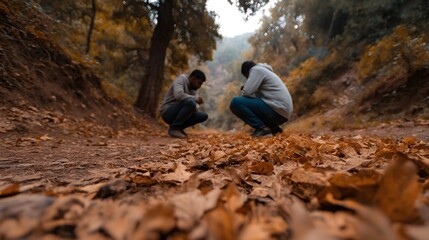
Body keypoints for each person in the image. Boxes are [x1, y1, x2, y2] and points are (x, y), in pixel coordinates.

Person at [230, 61, 293, 137]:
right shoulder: (265, 71)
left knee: (236, 102)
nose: (248, 79)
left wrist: (246, 86)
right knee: (253, 104)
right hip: (283, 113)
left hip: (277, 110)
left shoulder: (256, 70)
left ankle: (263, 129)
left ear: (248, 72)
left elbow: (246, 93)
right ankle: (274, 129)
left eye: (247, 77)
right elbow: (257, 100)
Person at [160, 69, 208, 138]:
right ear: (193, 78)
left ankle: (179, 128)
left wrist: (194, 108)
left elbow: (190, 106)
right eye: (199, 83)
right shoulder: (180, 80)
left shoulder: (192, 89)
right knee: (191, 102)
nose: (199, 86)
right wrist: (195, 99)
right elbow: (179, 95)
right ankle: (174, 128)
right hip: (167, 112)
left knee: (203, 116)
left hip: (178, 112)